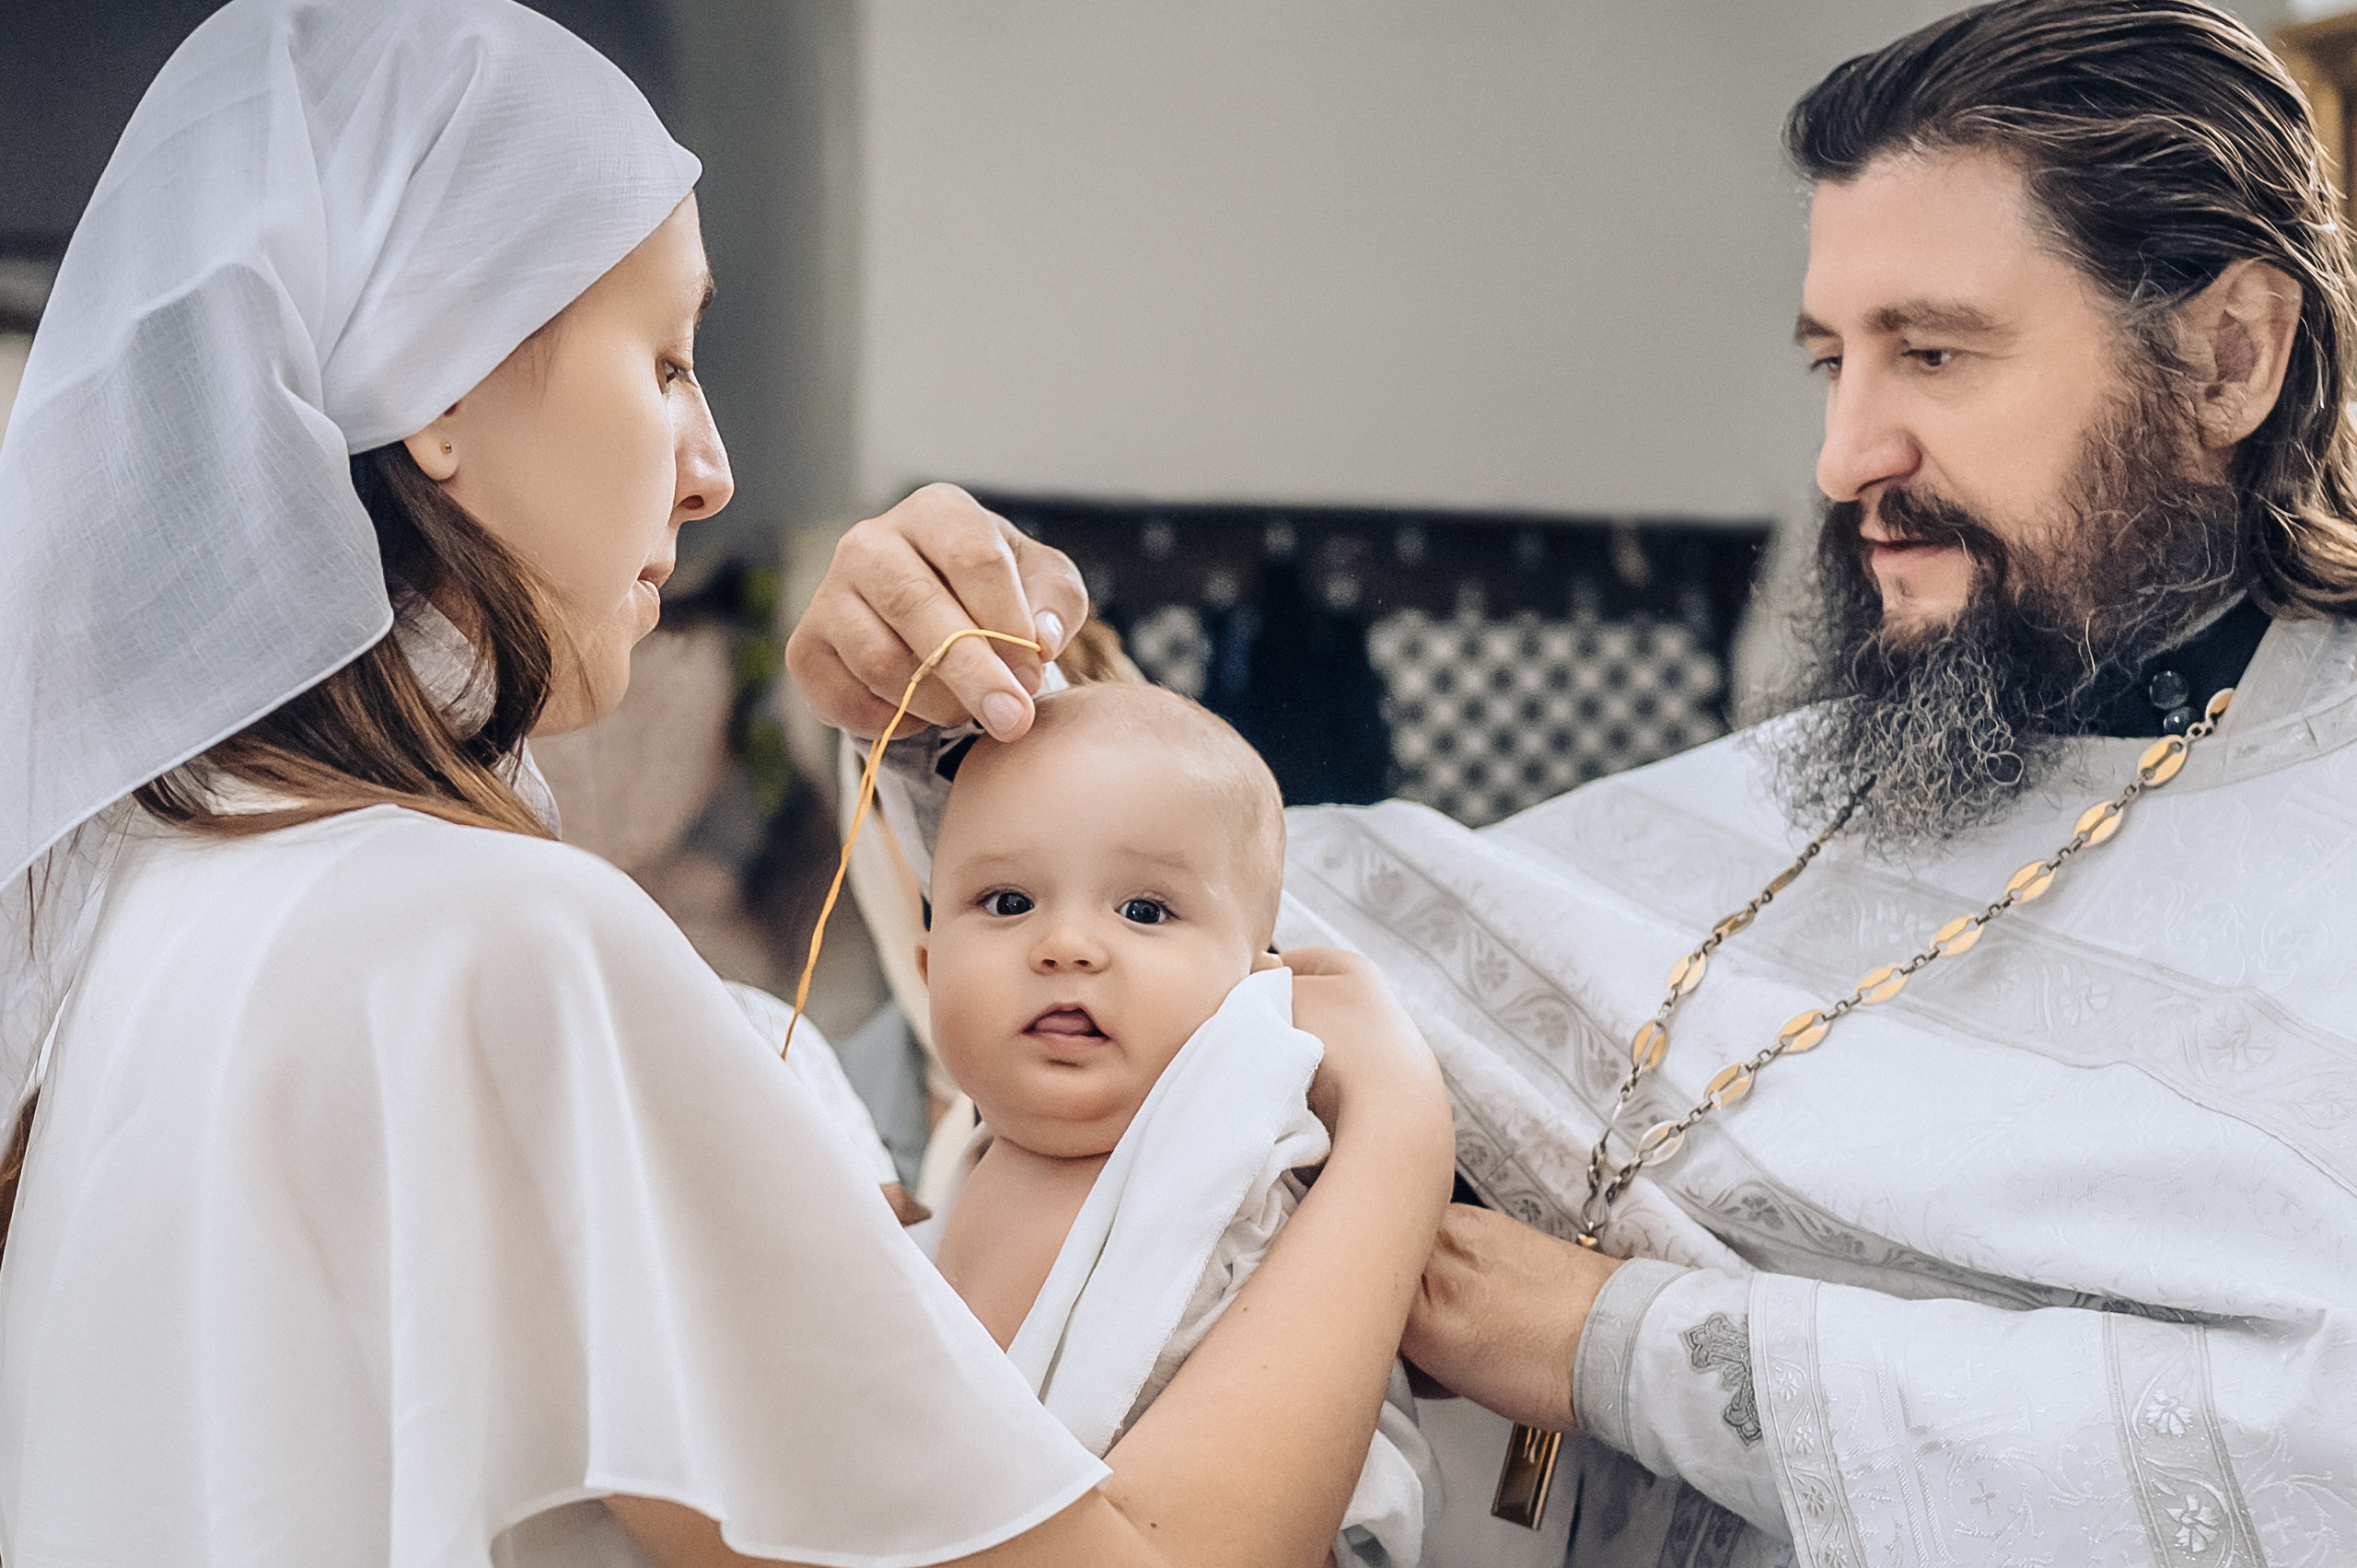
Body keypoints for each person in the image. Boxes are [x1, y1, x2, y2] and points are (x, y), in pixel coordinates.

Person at [784, 2, 2357, 1562]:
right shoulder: (1870, 758)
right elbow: (1247, 943)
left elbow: (2309, 1446)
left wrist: (1617, 1343)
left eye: (1933, 353)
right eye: (1832, 363)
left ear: (2229, 353)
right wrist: (962, 707)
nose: (1848, 449)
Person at [0, 3, 1457, 1564]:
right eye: (669, 360)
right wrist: (1392, 1134)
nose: (712, 468)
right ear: (440, 385)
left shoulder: (151, 893)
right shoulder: (505, 939)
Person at [919, 681, 1432, 1567]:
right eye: (1009, 903)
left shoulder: (1240, 1190)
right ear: (927, 965)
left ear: (1255, 991)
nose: (1067, 944)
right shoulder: (950, 1178)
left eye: (1144, 910)